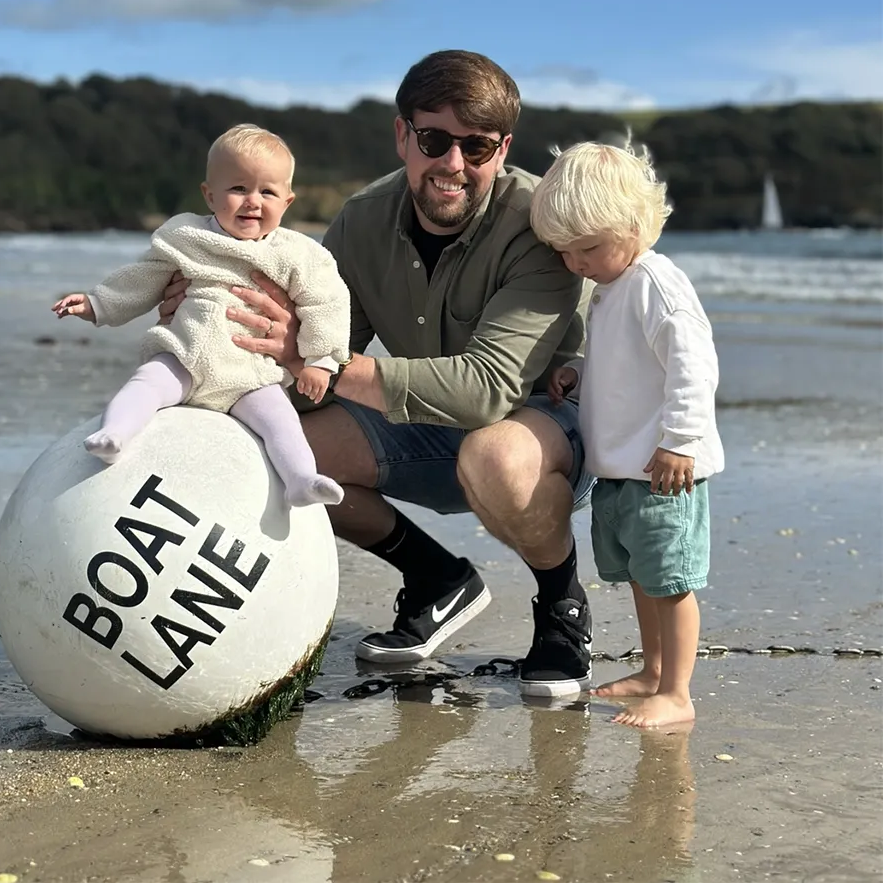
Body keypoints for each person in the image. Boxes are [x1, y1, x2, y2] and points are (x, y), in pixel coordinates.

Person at [162, 51, 595, 696]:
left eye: (476, 147)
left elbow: (485, 392)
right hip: (423, 421)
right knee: (277, 446)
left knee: (495, 454)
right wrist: (210, 320)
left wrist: (315, 359)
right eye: (434, 140)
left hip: (544, 425)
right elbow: (299, 350)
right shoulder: (363, 221)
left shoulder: (538, 224)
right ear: (403, 135)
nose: (454, 164)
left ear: (503, 149)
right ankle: (435, 578)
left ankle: (561, 603)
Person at [52, 123, 351, 508]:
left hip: (250, 374)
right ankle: (116, 435)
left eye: (267, 192)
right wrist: (98, 303)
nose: (252, 202)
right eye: (238, 189)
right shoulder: (187, 236)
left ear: (287, 202)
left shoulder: (299, 255)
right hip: (184, 355)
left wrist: (321, 360)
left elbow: (326, 302)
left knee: (281, 421)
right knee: (147, 382)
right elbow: (144, 277)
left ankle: (301, 479)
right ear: (209, 195)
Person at [532, 136, 724, 727]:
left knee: (670, 581)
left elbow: (694, 364)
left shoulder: (656, 283)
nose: (575, 264)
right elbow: (626, 367)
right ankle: (652, 671)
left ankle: (678, 692)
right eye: (564, 252)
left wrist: (680, 441)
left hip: (664, 470)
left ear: (636, 224)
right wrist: (579, 373)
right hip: (623, 470)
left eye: (587, 248)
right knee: (644, 578)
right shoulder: (613, 289)